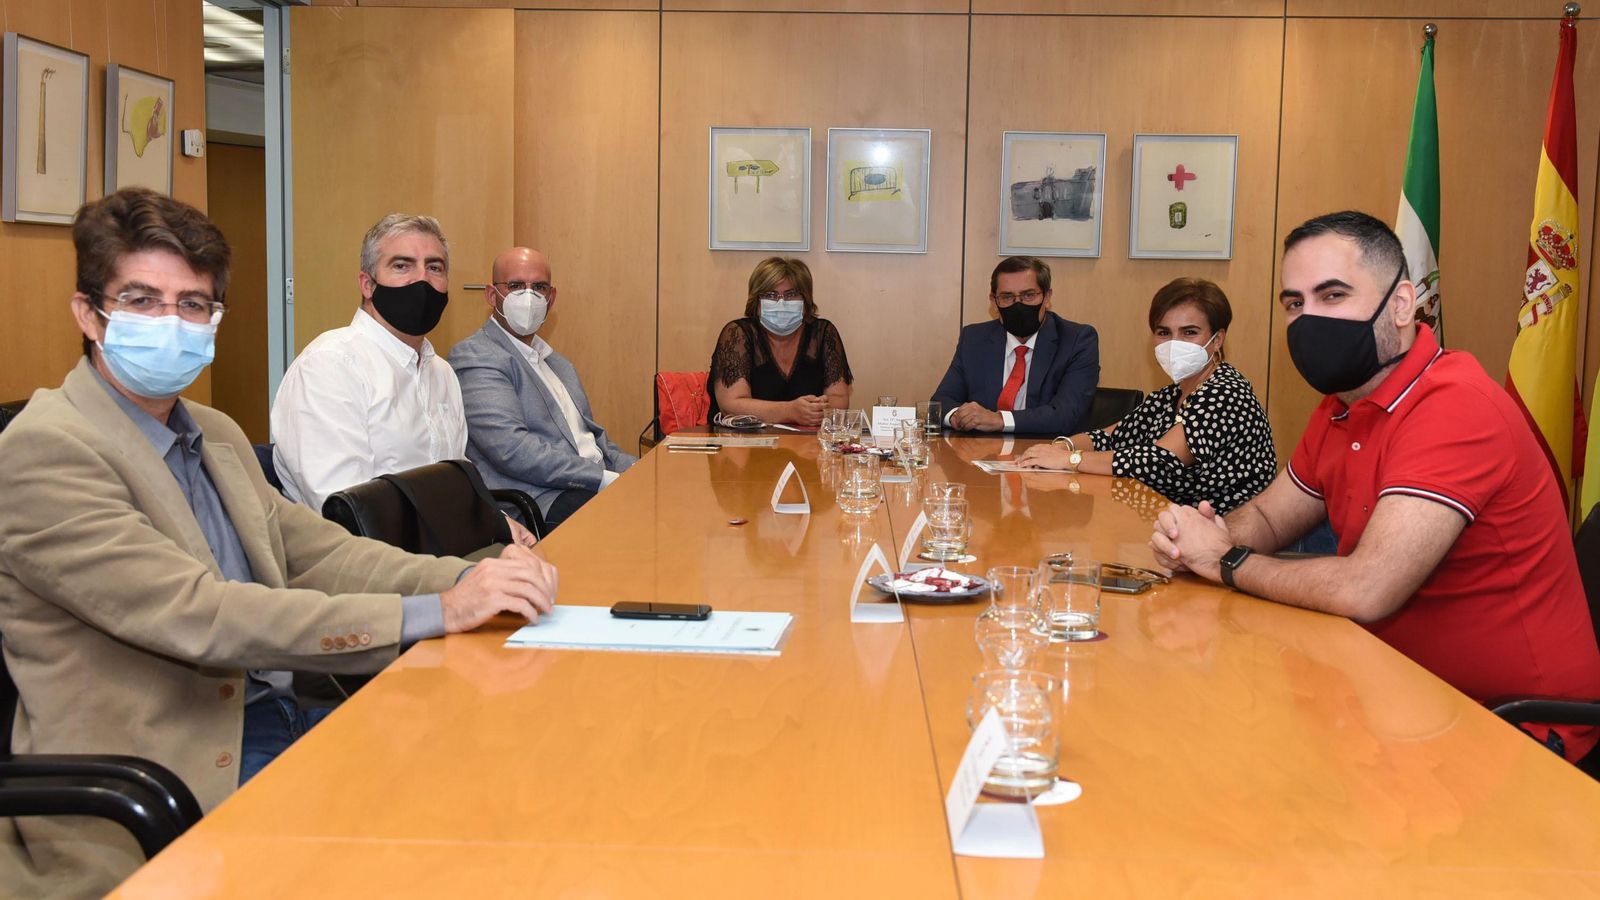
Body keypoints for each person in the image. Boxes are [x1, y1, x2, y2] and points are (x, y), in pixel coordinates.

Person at [0, 189, 559, 896]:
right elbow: (204, 615)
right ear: (89, 313)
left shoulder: (213, 431)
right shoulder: (45, 451)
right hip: (165, 777)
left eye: (193, 305)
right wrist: (438, 611)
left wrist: (469, 577)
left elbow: (318, 552)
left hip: (282, 710)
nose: (171, 322)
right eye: (141, 301)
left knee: (499, 791)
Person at [1150, 210, 1600, 766]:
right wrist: (1197, 537)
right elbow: (1268, 521)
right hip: (1390, 694)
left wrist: (1225, 560)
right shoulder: (1342, 406)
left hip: (1513, 731)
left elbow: (1368, 589)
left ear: (1403, 304)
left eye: (1333, 295)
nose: (1308, 320)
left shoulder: (1455, 406)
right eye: (1295, 303)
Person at [269, 215, 536, 547]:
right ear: (367, 284)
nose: (421, 280)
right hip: (357, 568)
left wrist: (495, 520)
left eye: (435, 268)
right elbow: (346, 513)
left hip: (437, 551)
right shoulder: (329, 366)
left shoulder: (441, 373)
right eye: (402, 266)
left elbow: (455, 481)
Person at [1016, 278, 1275, 514]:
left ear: (1217, 339)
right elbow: (1109, 438)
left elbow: (1159, 460)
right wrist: (1060, 447)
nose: (1174, 343)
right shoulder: (1171, 394)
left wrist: (1068, 460)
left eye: (1189, 332)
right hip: (1175, 524)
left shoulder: (1226, 393)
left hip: (1229, 534)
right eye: (1164, 333)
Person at [449, 247, 636, 530]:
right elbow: (512, 450)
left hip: (590, 484)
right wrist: (602, 477)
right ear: (491, 295)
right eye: (515, 286)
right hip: (540, 501)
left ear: (551, 298)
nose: (529, 296)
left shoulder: (559, 364)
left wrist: (641, 469)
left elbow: (594, 440)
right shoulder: (477, 356)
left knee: (670, 499)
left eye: (539, 287)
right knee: (641, 524)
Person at [931, 255, 1099, 435]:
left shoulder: (1077, 340)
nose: (1018, 305)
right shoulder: (974, 339)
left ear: (1047, 297)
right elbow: (941, 402)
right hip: (981, 453)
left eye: (1028, 295)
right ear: (994, 301)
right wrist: (959, 416)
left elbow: (1065, 415)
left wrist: (999, 420)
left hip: (1047, 453)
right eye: (1007, 297)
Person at [707, 257, 852, 426]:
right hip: (743, 444)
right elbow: (731, 404)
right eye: (770, 295)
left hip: (808, 446)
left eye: (791, 295)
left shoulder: (823, 333)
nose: (781, 303)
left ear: (805, 300)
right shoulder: (738, 334)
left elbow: (840, 399)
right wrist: (791, 411)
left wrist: (813, 411)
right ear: (756, 301)